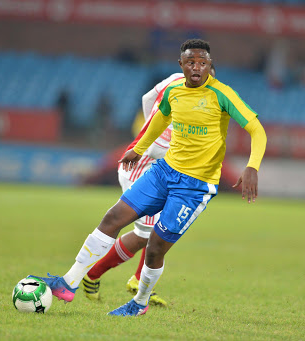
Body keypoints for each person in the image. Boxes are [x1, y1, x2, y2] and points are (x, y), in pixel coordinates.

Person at [30, 39, 267, 317]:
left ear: (210, 66)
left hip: (194, 187)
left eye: (202, 63)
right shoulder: (174, 90)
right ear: (181, 65)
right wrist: (138, 149)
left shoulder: (223, 95)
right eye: (190, 62)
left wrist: (252, 166)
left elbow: (256, 129)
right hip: (163, 172)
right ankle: (68, 282)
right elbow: (160, 118)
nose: (196, 67)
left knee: (154, 246)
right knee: (113, 218)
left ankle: (139, 302)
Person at [81, 65, 216, 307]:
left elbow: (147, 98)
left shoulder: (179, 85)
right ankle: (93, 274)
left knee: (156, 230)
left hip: (155, 167)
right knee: (146, 234)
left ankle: (135, 279)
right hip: (143, 166)